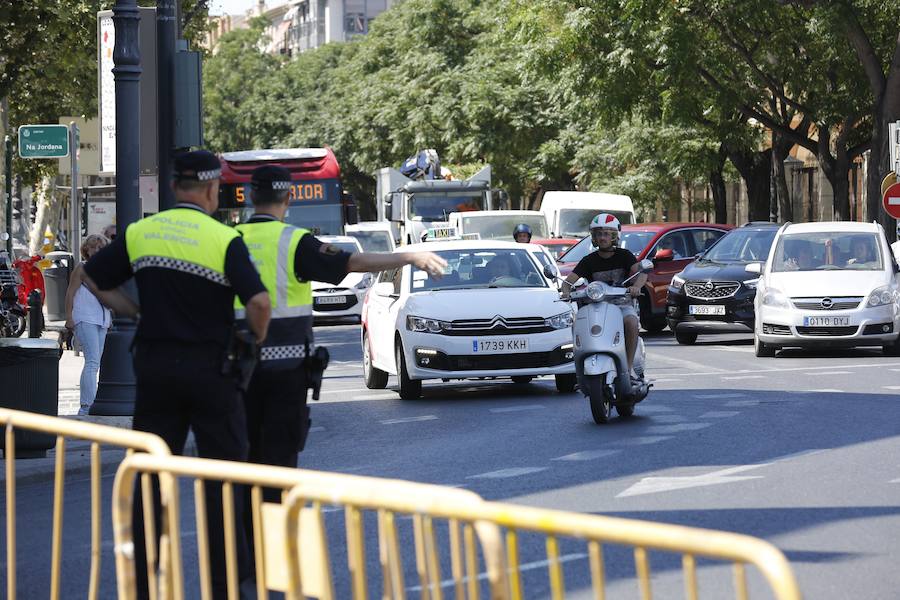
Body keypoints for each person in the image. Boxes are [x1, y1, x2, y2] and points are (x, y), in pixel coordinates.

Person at [83, 150, 272, 599]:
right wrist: (251, 343)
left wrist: (136, 311)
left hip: (156, 371)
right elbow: (260, 304)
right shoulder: (223, 238)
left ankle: (145, 583)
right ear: (211, 190)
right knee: (224, 479)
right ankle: (226, 584)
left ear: (173, 188)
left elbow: (92, 277)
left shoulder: (141, 233)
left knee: (150, 472)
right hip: (212, 372)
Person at [237, 165, 446, 492]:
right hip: (284, 372)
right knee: (278, 469)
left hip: (237, 371)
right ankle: (272, 533)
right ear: (289, 198)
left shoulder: (229, 240)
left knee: (239, 468)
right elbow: (354, 263)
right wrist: (408, 257)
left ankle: (238, 536)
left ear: (251, 196)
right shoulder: (293, 242)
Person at [563, 213, 647, 380]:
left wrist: (636, 286)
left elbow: (642, 273)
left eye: (607, 233)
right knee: (576, 324)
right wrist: (566, 292)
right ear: (593, 237)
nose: (602, 238)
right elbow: (567, 282)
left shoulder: (624, 255)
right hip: (596, 307)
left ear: (615, 236)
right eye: (598, 234)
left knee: (631, 322)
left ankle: (627, 369)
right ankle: (579, 369)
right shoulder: (588, 260)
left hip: (622, 305)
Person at [64, 234, 112, 415]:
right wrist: (69, 317)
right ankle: (86, 406)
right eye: (94, 247)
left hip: (101, 320)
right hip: (85, 318)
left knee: (95, 363)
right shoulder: (82, 268)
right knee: (92, 362)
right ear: (87, 250)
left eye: (101, 248)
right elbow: (70, 293)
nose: (97, 251)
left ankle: (89, 404)